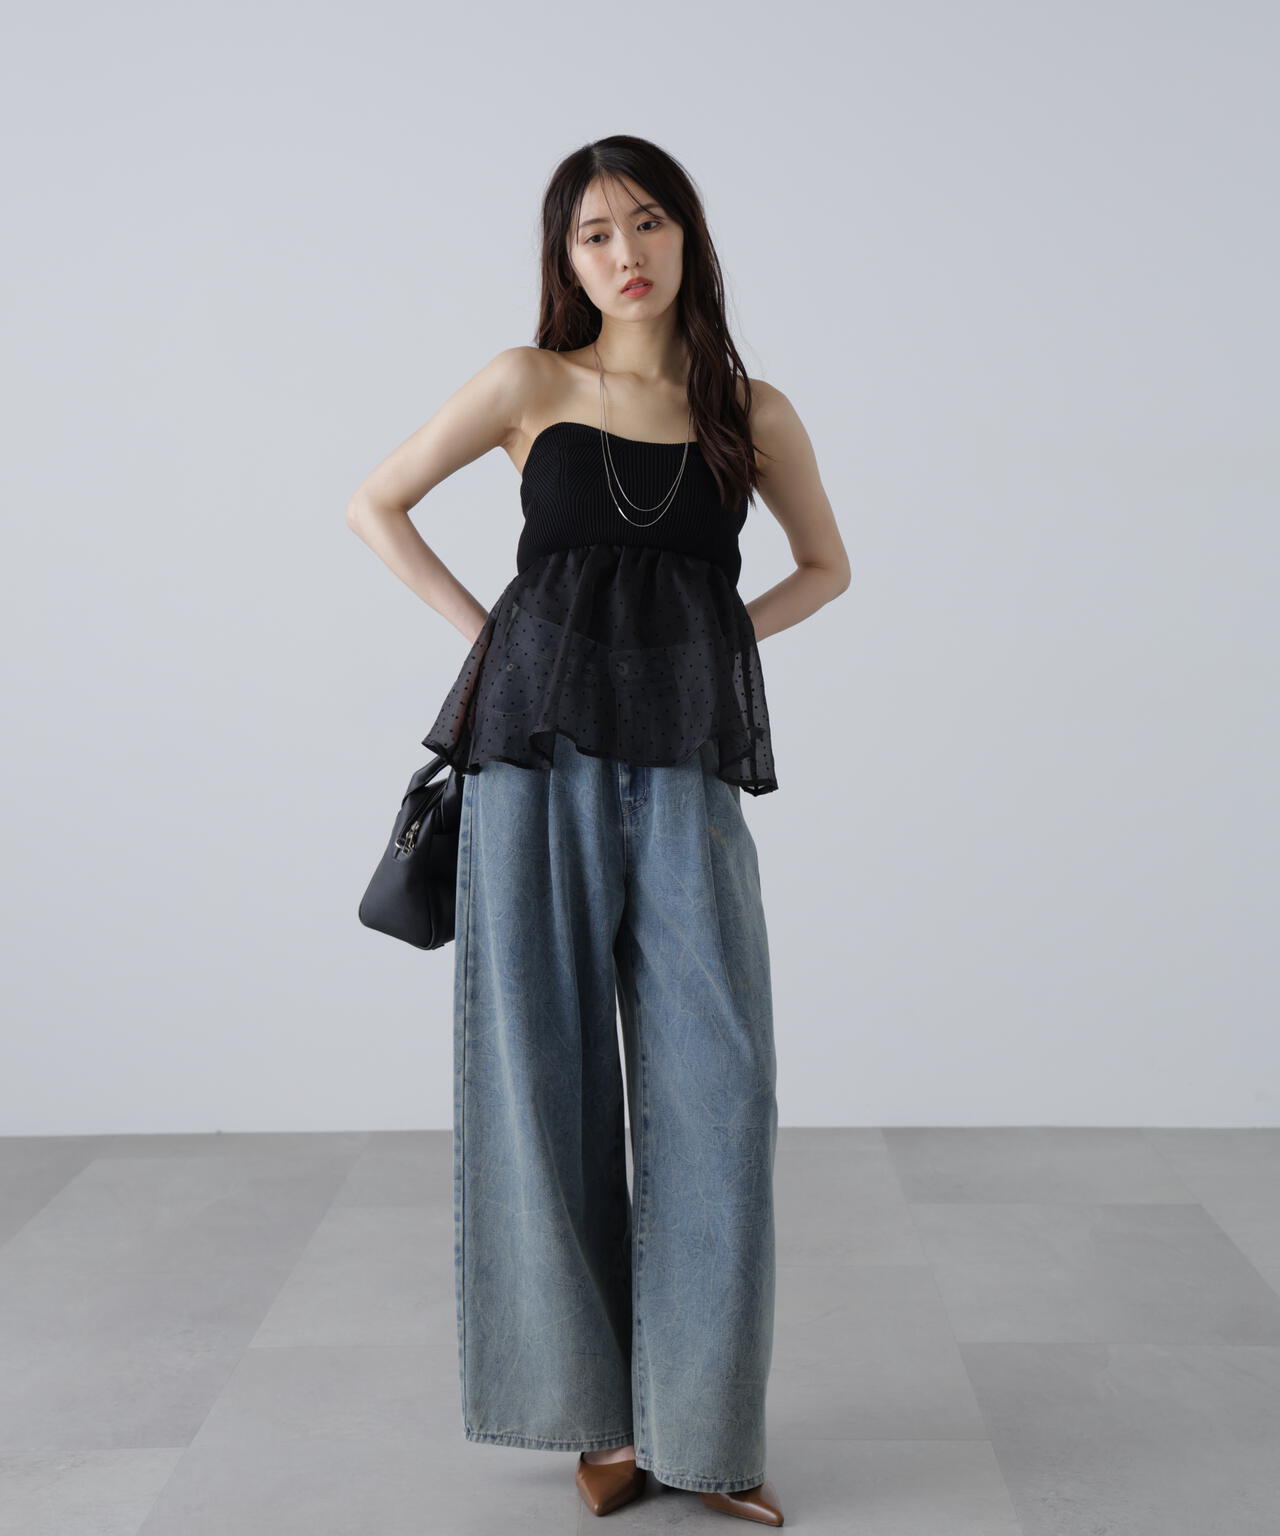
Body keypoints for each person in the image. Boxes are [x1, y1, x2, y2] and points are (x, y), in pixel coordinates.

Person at [347, 135, 850, 1526]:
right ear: (564, 259)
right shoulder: (530, 384)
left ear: (689, 234)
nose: (626, 253)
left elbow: (827, 567)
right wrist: (497, 641)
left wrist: (706, 652)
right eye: (593, 235)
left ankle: (707, 1431)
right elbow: (373, 502)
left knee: (717, 1087)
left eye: (648, 223)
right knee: (544, 1081)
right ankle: (600, 1422)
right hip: (536, 766)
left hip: (684, 775)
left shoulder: (753, 411)